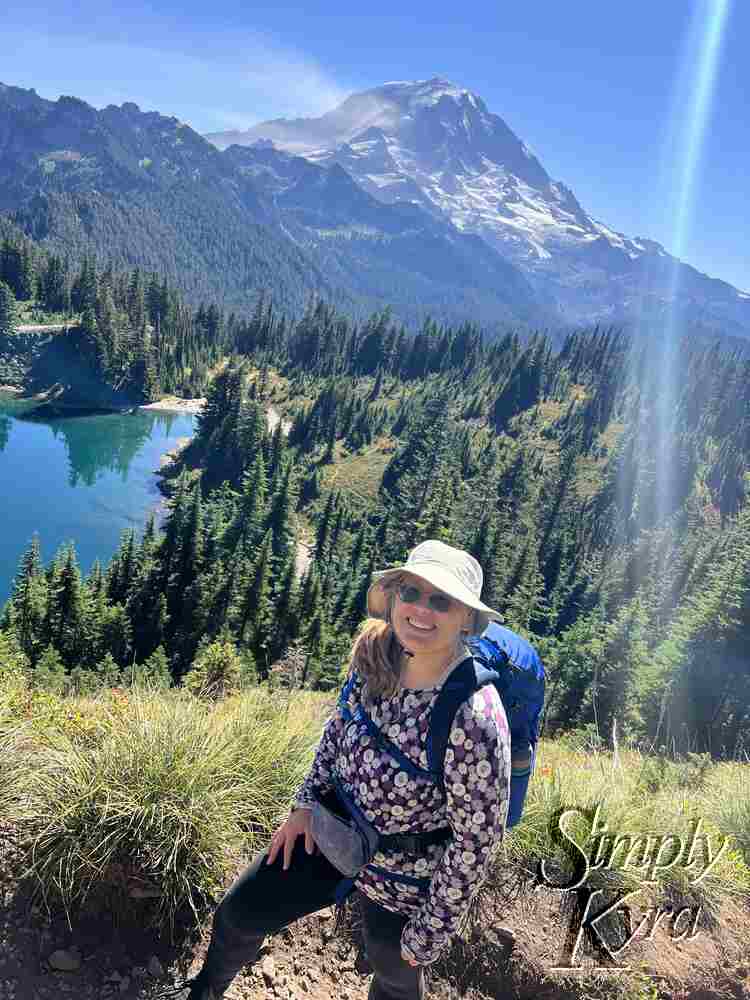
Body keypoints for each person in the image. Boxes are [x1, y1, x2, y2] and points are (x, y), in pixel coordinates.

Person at [183, 539, 512, 1000]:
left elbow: (476, 841)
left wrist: (430, 930)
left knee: (394, 971)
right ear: (394, 598)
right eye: (411, 593)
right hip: (332, 829)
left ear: (466, 620)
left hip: (407, 872)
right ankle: (205, 993)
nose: (421, 610)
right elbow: (336, 732)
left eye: (441, 601)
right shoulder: (376, 656)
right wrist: (304, 805)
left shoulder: (475, 717)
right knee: (241, 911)